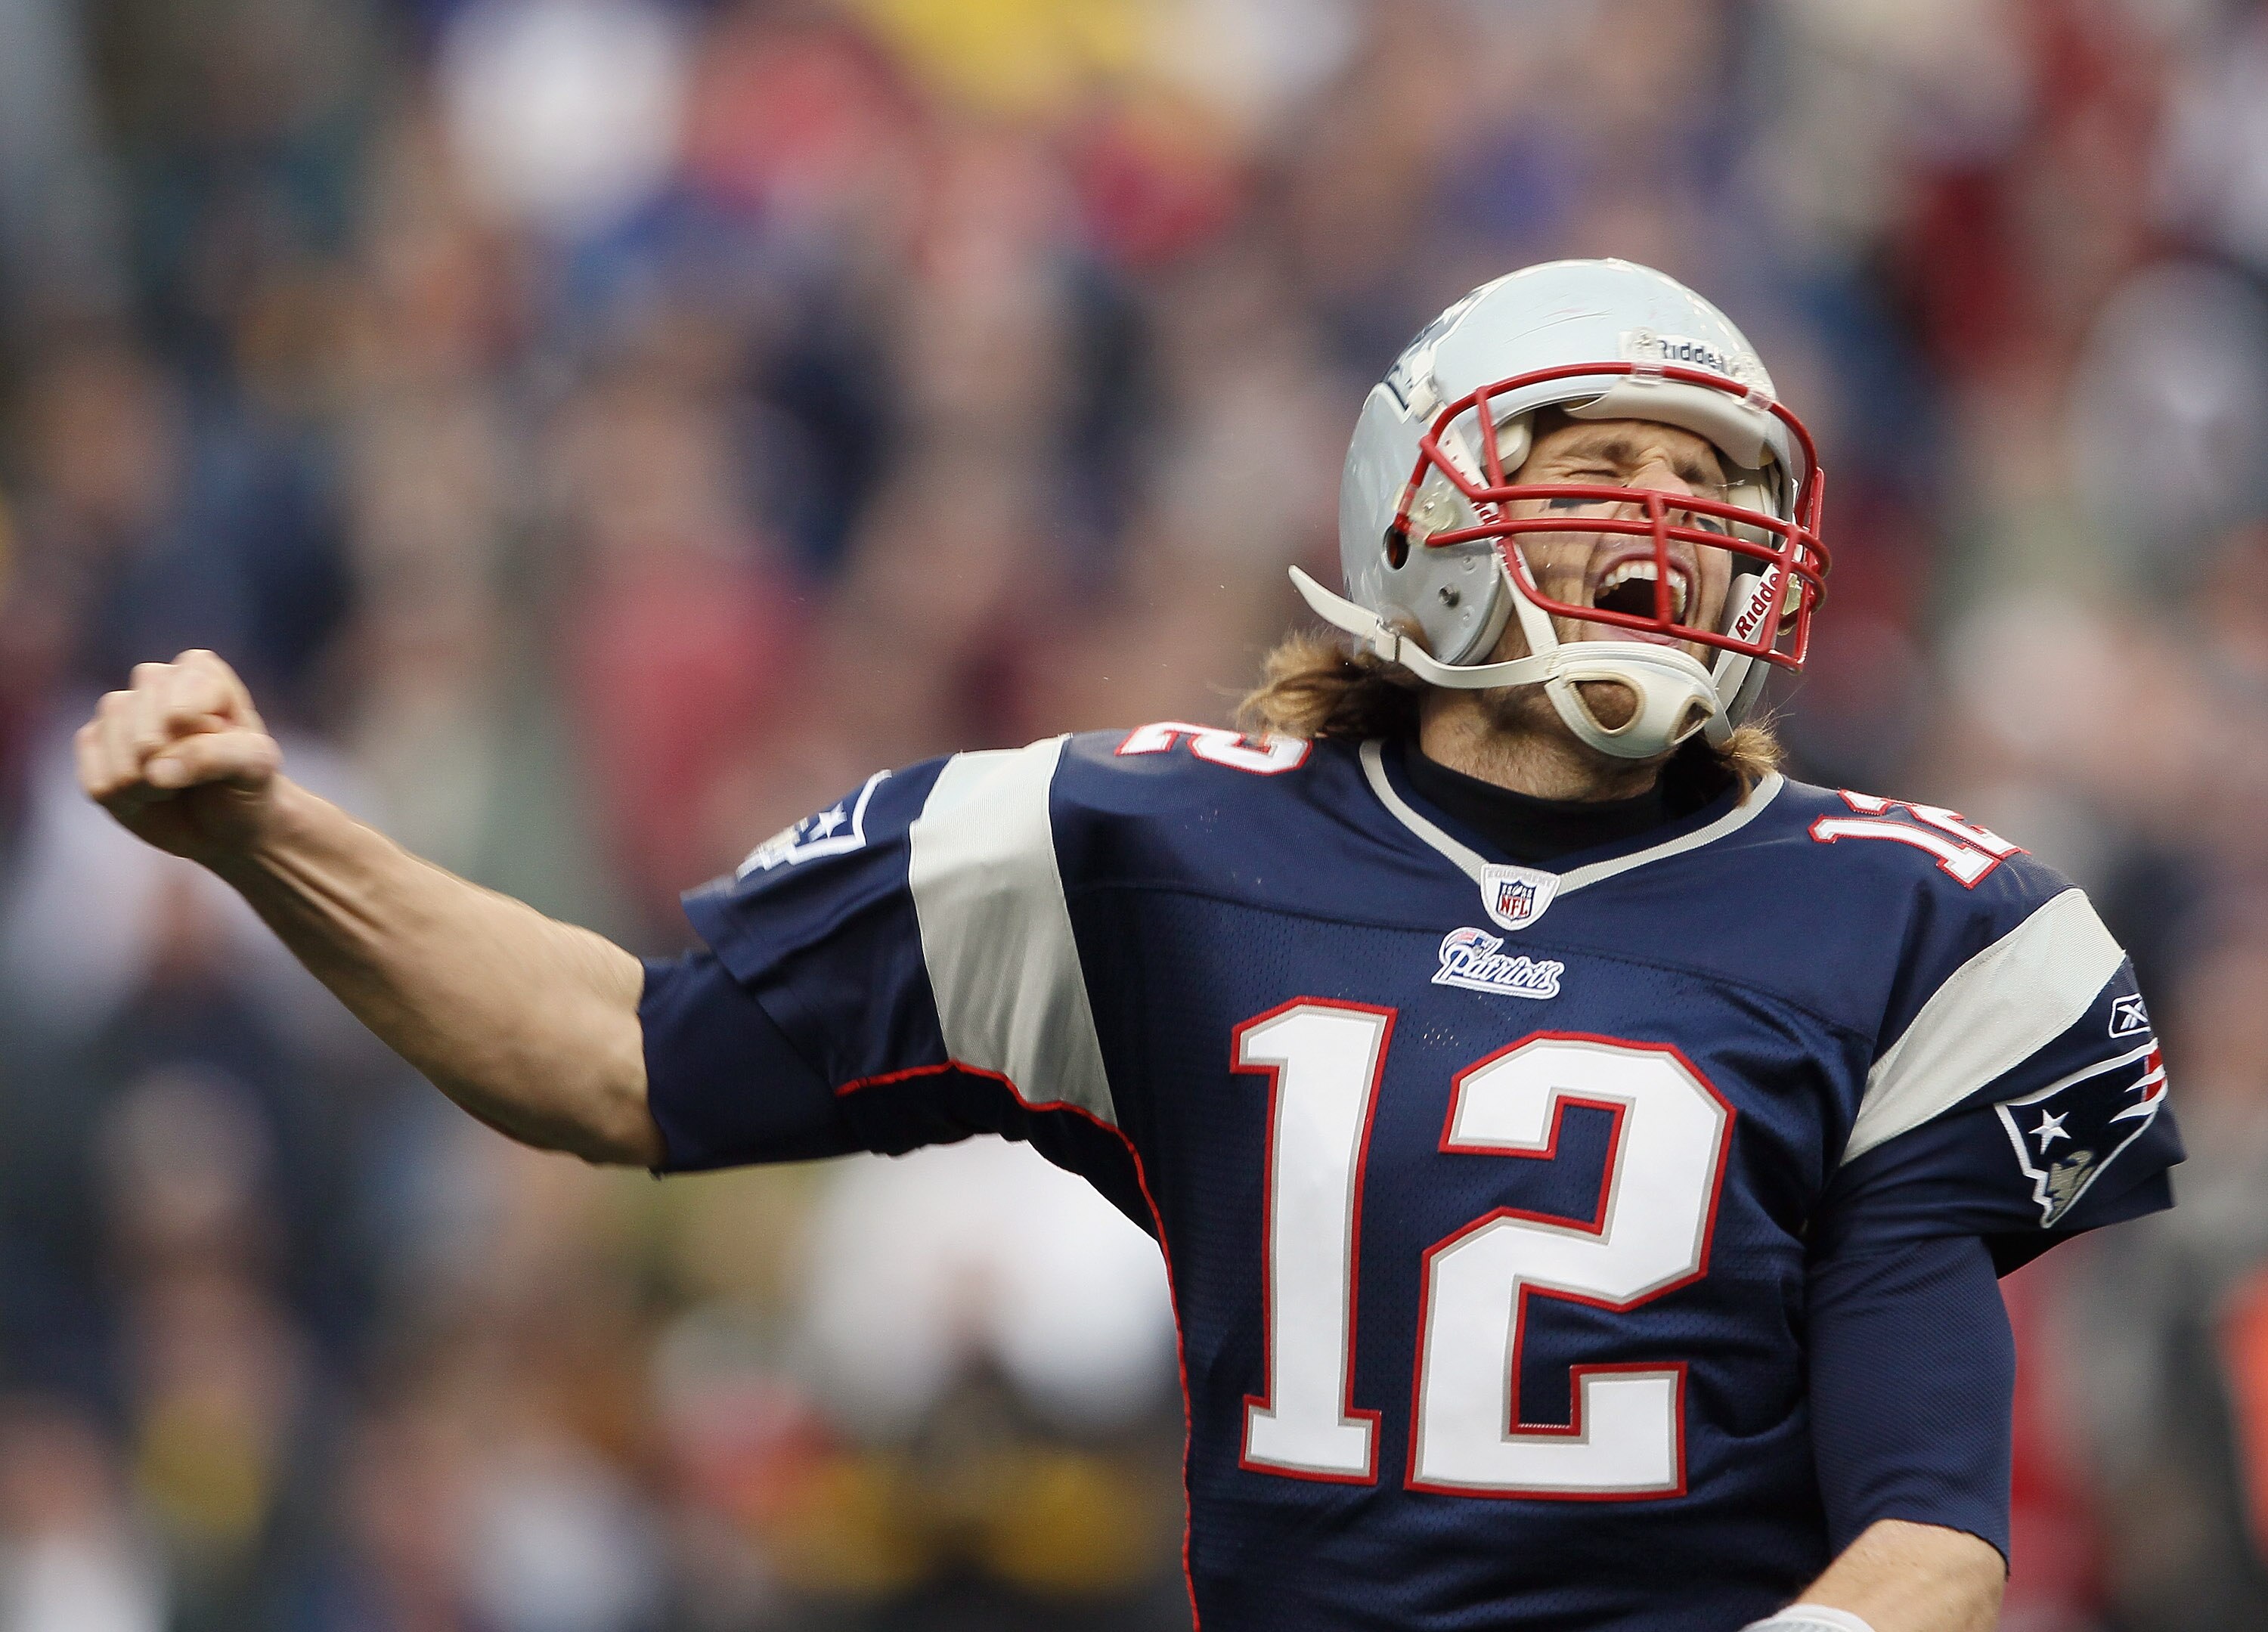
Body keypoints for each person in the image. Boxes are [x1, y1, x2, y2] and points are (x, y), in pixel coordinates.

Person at [79, 260, 2181, 1632]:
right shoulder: (1157, 849)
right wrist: (273, 834)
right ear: (1425, 515)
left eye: (1707, 487)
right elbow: (613, 1061)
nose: (1657, 529)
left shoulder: (1907, 923)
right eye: (1600, 469)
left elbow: (1934, 1543)